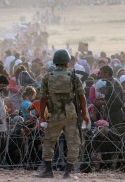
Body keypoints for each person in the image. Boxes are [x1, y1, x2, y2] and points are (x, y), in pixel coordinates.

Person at [36, 49, 89, 178]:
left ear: (55, 62)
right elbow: (82, 97)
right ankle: (68, 172)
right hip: (70, 114)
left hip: (54, 113)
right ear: (67, 63)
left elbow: (42, 99)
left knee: (49, 141)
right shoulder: (73, 76)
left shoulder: (48, 77)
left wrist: (42, 116)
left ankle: (48, 171)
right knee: (73, 142)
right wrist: (85, 114)